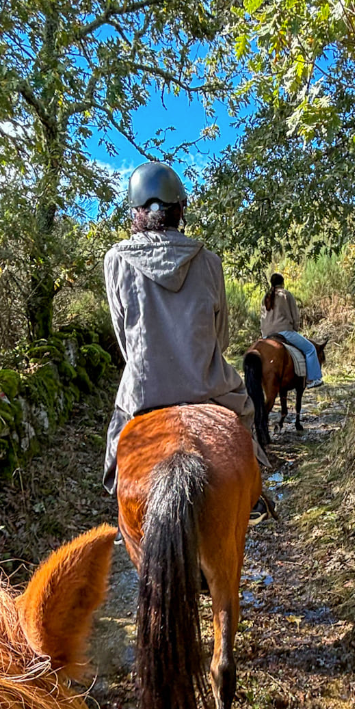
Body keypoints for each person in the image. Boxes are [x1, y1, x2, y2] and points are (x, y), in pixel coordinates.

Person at [102, 161, 273, 524]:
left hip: (144, 391)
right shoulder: (209, 261)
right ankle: (255, 495)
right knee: (245, 413)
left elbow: (123, 337)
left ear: (136, 212)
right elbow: (221, 336)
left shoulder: (115, 260)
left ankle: (118, 496)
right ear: (180, 209)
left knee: (118, 445)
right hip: (206, 387)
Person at [260, 272, 323, 387]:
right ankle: (313, 379)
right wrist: (295, 328)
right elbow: (295, 316)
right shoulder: (286, 294)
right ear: (283, 283)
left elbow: (262, 317)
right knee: (310, 349)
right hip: (284, 331)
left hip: (266, 335)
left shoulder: (266, 297)